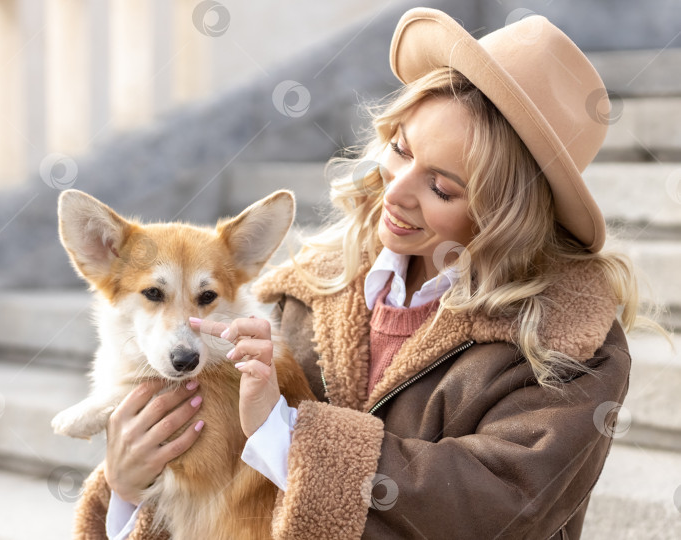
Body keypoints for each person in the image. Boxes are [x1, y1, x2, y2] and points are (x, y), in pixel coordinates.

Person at [73, 7, 668, 539]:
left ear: (506, 214)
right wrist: (123, 489)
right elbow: (209, 493)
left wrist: (284, 432)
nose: (396, 191)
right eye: (402, 148)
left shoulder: (568, 345)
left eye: (441, 186)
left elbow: (497, 506)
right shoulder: (303, 293)